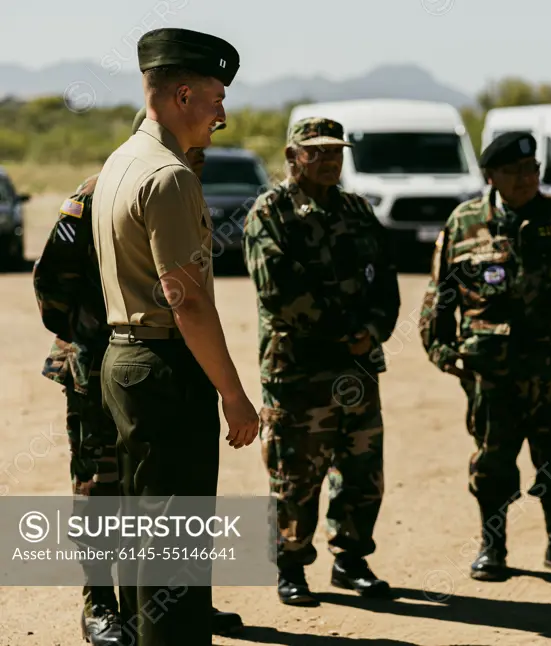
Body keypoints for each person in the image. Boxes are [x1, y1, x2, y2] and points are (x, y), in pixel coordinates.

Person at [33, 108, 242, 644]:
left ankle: (167, 605)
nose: (198, 155)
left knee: (160, 495)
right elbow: (52, 281)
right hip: (97, 361)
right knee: (103, 487)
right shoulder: (98, 190)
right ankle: (101, 604)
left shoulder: (179, 184)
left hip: (151, 363)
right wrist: (90, 339)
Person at [91, 29, 259, 646]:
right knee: (173, 546)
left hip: (125, 360)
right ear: (183, 94)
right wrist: (234, 396)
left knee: (144, 533)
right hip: (164, 366)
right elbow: (186, 301)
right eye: (215, 97)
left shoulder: (120, 162)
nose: (222, 112)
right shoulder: (169, 177)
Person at [418, 132, 551, 581]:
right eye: (514, 172)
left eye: (532, 170)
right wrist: (445, 354)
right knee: (493, 465)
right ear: (491, 176)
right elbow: (438, 299)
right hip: (491, 377)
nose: (525, 179)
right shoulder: (465, 223)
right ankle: (493, 547)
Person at [242, 117, 400, 606]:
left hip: (356, 369)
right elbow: (277, 292)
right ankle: (290, 565)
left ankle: (350, 559)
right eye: (317, 153)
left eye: (336, 153)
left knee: (361, 469)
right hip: (298, 371)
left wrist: (371, 332)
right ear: (293, 157)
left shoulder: (356, 209)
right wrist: (342, 335)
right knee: (296, 474)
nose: (330, 161)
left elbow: (386, 283)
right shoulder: (271, 213)